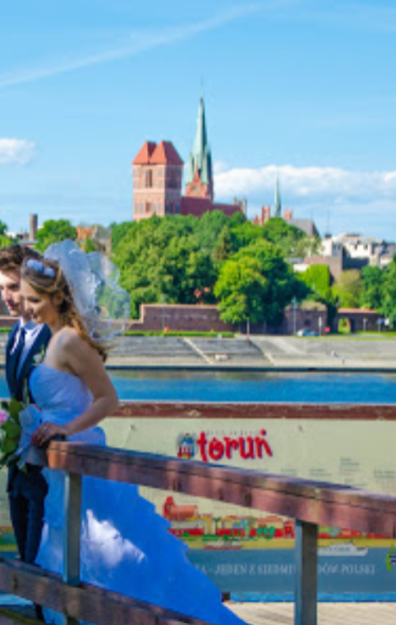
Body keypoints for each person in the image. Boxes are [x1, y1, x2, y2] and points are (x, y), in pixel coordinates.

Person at [20, 241, 244, 625]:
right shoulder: (53, 339)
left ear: (56, 297)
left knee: (120, 558)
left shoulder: (71, 340)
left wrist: (65, 429)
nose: (27, 308)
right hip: (60, 471)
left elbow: (108, 399)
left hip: (82, 460)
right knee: (78, 559)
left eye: (33, 300)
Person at [0, 244, 52, 573]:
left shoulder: (55, 333)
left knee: (39, 571)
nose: (6, 296)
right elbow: (21, 400)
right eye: (1, 287)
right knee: (25, 568)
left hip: (48, 472)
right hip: (19, 472)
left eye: (13, 287)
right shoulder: (16, 333)